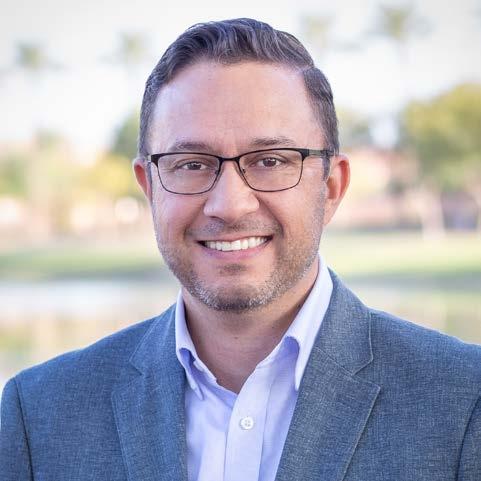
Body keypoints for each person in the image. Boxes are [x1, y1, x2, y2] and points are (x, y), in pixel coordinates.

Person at [1, 18, 480, 481]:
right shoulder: (38, 415)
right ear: (149, 188)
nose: (229, 205)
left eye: (270, 160)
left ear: (331, 186)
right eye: (191, 164)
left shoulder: (464, 402)